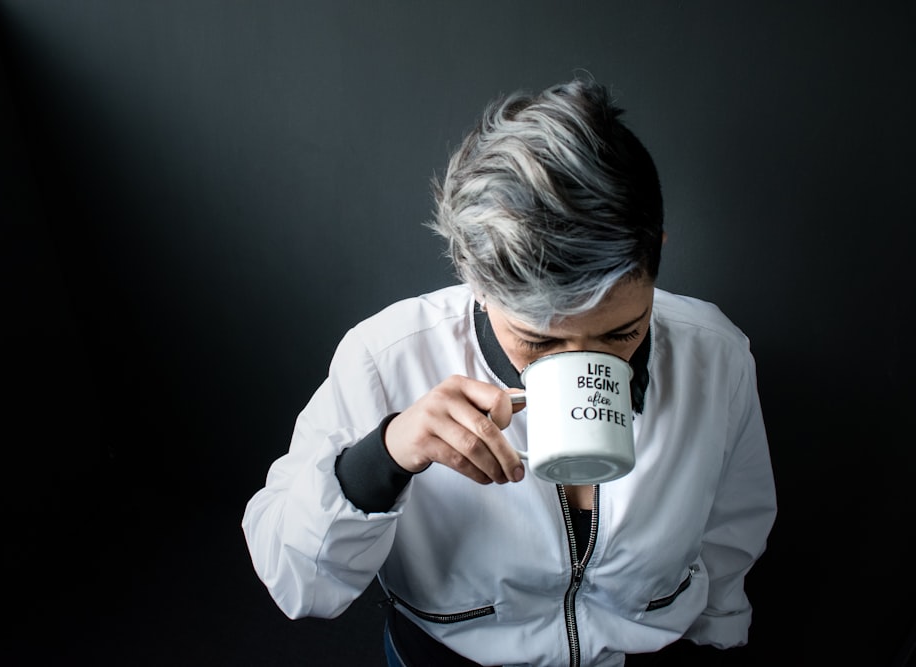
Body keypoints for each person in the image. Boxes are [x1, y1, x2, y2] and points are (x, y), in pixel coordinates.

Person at [242, 76, 777, 667]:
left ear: (657, 254)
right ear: (475, 281)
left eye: (622, 332)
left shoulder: (716, 353)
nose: (583, 363)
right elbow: (296, 582)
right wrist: (386, 456)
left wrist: (722, 639)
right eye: (538, 341)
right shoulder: (385, 357)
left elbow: (732, 533)